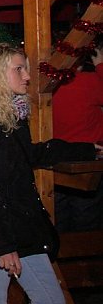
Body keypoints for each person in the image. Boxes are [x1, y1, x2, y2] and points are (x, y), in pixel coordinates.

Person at [0, 44, 99, 304]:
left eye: (26, 69)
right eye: (19, 69)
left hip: (19, 225)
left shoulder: (7, 111)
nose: (27, 76)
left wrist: (89, 149)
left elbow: (30, 154)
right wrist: (3, 246)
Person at [52, 39, 103, 232]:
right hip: (88, 160)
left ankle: (63, 259)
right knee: (87, 222)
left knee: (59, 220)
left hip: (55, 159)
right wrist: (100, 65)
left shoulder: (46, 84)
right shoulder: (88, 82)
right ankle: (83, 259)